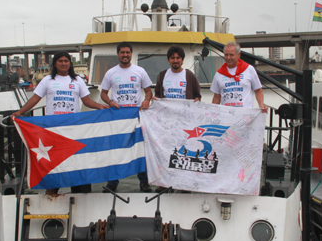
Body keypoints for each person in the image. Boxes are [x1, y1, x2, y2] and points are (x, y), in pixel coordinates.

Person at [12, 51, 108, 194]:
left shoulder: (77, 81)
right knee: (54, 159)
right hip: (53, 128)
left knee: (74, 159)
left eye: (66, 61)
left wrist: (100, 106)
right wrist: (20, 112)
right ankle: (52, 188)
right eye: (60, 61)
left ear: (70, 63)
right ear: (55, 64)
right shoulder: (47, 81)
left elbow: (86, 101)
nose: (64, 63)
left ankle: (77, 189)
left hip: (72, 128)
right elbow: (35, 99)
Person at [100, 42, 153, 193]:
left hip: (136, 117)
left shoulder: (139, 71)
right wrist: (109, 101)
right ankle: (112, 183)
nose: (125, 55)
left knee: (139, 149)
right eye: (122, 52)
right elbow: (103, 93)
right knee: (117, 149)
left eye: (127, 52)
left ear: (131, 54)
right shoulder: (111, 73)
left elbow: (148, 91)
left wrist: (146, 100)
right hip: (118, 117)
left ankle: (144, 182)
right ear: (118, 54)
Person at [154, 45, 201, 193]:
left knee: (184, 153)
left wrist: (197, 100)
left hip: (184, 123)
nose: (175, 60)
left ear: (182, 59)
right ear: (168, 60)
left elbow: (197, 96)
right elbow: (157, 96)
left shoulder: (190, 76)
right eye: (173, 58)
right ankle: (165, 184)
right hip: (167, 124)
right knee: (166, 153)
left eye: (178, 58)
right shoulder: (162, 76)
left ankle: (184, 184)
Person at [210, 41, 268, 113]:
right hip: (226, 116)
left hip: (245, 116)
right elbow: (216, 96)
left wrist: (261, 105)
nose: (228, 58)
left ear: (239, 55)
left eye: (231, 55)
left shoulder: (249, 69)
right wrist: (213, 112)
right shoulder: (219, 73)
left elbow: (258, 90)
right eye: (226, 55)